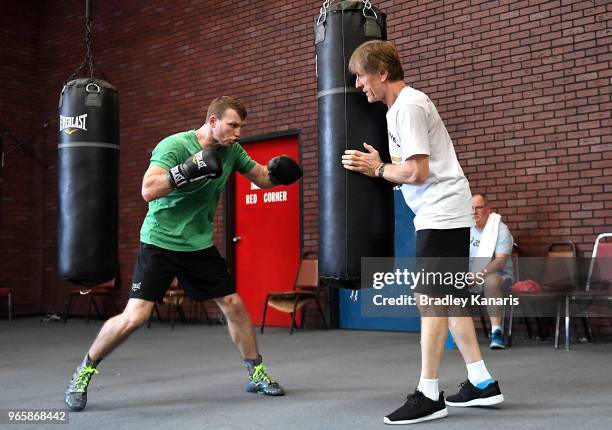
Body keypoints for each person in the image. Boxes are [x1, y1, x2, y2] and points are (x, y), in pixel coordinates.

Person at [64, 96, 303, 411]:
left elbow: (258, 175)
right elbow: (148, 190)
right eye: (232, 125)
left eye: (241, 127)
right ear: (213, 121)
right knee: (136, 317)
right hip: (160, 241)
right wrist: (188, 170)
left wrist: (276, 176)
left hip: (199, 244)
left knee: (233, 304)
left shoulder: (232, 151)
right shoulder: (174, 146)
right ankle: (84, 371)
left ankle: (255, 372)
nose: (237, 133)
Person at [342, 40, 504, 425]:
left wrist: (377, 170)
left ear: (382, 73)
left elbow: (417, 172)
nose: (359, 85)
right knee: (444, 298)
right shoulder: (398, 109)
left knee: (430, 299)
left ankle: (429, 393)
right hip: (438, 211)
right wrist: (384, 163)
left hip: (441, 212)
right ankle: (481, 381)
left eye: (361, 77)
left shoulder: (409, 106)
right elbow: (412, 168)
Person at [470, 193, 514, 350]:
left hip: (500, 274)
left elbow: (500, 261)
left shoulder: (500, 229)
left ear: (488, 209)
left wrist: (479, 275)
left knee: (490, 281)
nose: (474, 212)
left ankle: (497, 332)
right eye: (471, 208)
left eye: (478, 208)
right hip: (471, 274)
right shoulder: (466, 229)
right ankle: (450, 333)